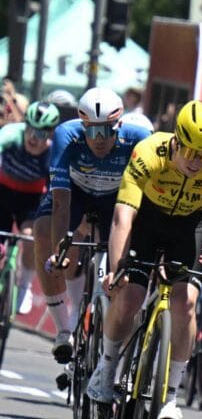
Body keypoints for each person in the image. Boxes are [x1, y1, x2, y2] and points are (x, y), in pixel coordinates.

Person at [86, 100, 202, 419]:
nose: (198, 161)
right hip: (146, 219)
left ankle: (170, 395)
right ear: (177, 141)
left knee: (185, 303)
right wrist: (116, 271)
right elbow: (122, 219)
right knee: (129, 297)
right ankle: (106, 368)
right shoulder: (148, 152)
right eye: (192, 151)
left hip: (190, 225)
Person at [34, 87, 150, 365]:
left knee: (127, 255)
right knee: (43, 232)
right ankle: (63, 330)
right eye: (92, 130)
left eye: (107, 130)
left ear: (119, 124)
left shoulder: (139, 139)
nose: (99, 139)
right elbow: (61, 202)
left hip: (116, 198)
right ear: (82, 125)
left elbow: (139, 204)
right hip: (76, 194)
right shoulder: (67, 134)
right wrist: (59, 250)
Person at [0, 101, 60, 314]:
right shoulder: (10, 135)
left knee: (29, 236)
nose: (34, 138)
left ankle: (24, 286)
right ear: (24, 126)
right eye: (30, 130)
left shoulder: (53, 153)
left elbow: (57, 189)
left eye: (42, 134)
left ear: (50, 135)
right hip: (2, 194)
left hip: (30, 199)